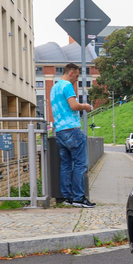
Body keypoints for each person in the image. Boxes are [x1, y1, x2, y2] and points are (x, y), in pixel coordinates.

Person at [50, 63, 95, 208]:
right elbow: (73, 106)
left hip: (60, 131)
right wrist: (86, 106)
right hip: (72, 129)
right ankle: (79, 198)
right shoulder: (67, 86)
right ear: (71, 73)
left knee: (66, 165)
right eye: (76, 76)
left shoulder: (54, 88)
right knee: (80, 165)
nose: (76, 79)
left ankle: (67, 197)